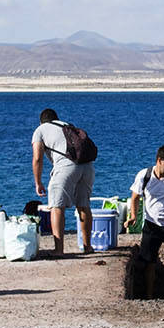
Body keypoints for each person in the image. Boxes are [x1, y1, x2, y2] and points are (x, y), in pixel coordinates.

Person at [31, 108, 94, 256]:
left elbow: (37, 158)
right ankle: (88, 247)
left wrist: (38, 182)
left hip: (66, 167)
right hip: (87, 166)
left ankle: (58, 250)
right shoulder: (67, 125)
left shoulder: (40, 130)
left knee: (56, 206)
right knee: (83, 205)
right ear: (56, 118)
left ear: (42, 121)